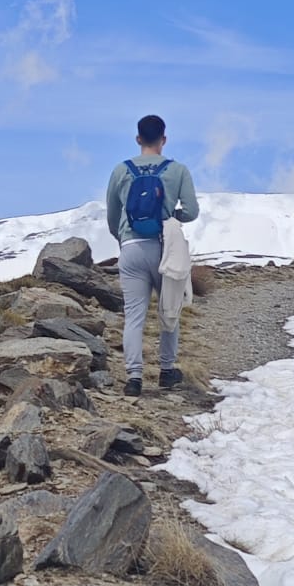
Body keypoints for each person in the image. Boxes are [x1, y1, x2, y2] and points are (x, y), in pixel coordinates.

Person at [106, 114, 199, 396]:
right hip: (164, 247)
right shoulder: (177, 170)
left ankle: (134, 378)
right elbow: (192, 211)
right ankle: (167, 372)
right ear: (164, 139)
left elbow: (112, 215)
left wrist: (123, 239)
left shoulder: (121, 170)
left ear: (138, 139)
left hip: (131, 249)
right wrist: (172, 217)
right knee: (169, 308)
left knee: (134, 316)